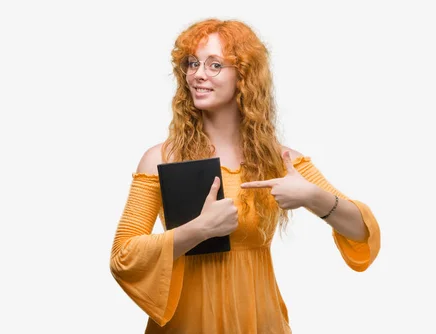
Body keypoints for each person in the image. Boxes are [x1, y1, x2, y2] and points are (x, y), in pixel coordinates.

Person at [109, 18, 381, 334]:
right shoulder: (161, 159)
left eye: (215, 65)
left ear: (244, 76)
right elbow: (123, 257)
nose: (198, 74)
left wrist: (312, 197)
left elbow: (363, 233)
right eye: (193, 64)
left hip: (258, 321)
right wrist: (199, 229)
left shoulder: (282, 161)